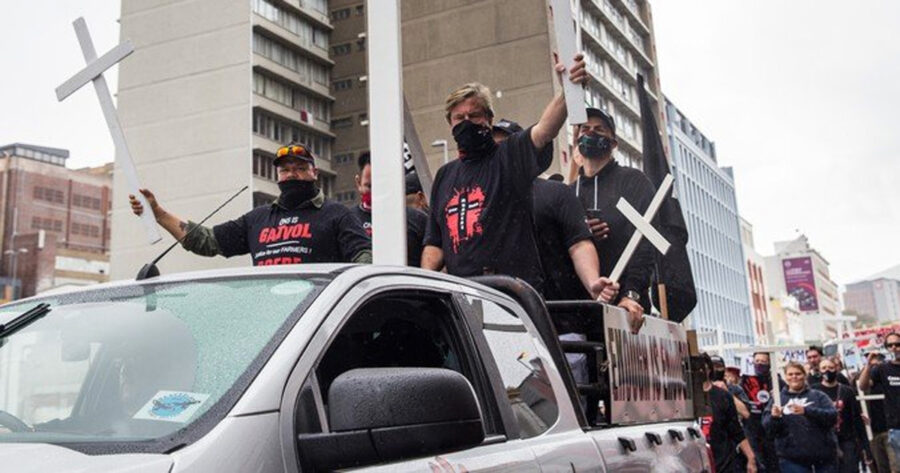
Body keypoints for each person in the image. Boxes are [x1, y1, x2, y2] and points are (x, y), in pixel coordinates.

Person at [422, 54, 597, 298]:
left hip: (510, 294)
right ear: (449, 124)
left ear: (489, 119)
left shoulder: (508, 156)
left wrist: (567, 92)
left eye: (474, 116)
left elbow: (544, 131)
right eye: (459, 118)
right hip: (463, 299)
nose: (467, 122)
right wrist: (425, 284)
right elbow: (435, 242)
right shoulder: (445, 175)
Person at [129, 142, 372, 265]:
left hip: (320, 324)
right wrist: (158, 213)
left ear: (314, 173)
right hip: (272, 323)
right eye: (285, 170)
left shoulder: (337, 214)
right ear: (277, 175)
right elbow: (205, 241)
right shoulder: (258, 219)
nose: (291, 175)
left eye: (299, 168)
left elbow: (364, 261)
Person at [491, 117, 619, 304]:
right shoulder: (474, 200)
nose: (498, 154)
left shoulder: (556, 193)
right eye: (493, 148)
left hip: (557, 318)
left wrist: (592, 284)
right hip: (495, 316)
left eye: (505, 146)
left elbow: (579, 244)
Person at [569, 107, 654, 326]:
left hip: (626, 309)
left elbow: (646, 243)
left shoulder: (633, 181)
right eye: (585, 129)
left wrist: (631, 294)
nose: (591, 133)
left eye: (599, 129)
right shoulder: (567, 193)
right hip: (579, 309)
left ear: (613, 143)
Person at [352, 152, 428, 266]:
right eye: (369, 186)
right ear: (358, 183)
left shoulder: (418, 220)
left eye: (381, 185)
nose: (375, 192)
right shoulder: (348, 220)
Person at [763, 362, 838, 473]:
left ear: (804, 375)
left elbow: (832, 417)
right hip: (792, 460)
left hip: (824, 458)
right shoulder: (777, 400)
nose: (794, 377)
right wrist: (774, 417)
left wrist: (806, 411)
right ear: (785, 377)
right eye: (790, 374)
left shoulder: (818, 396)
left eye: (798, 373)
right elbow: (768, 428)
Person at [811, 358, 868, 473]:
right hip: (824, 441)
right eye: (824, 368)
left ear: (836, 369)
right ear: (819, 371)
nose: (827, 370)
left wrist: (864, 446)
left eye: (830, 367)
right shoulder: (814, 391)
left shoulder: (847, 391)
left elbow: (856, 418)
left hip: (846, 439)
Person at [703, 356, 758, 473]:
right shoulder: (684, 397)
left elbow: (736, 428)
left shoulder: (723, 395)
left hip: (724, 461)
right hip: (699, 461)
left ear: (709, 370)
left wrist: (750, 457)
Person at [858, 332, 900, 472]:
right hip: (896, 428)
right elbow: (863, 386)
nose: (894, 348)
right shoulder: (883, 369)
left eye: (897, 344)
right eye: (890, 345)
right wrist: (868, 366)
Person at [740, 352, 783, 473]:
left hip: (771, 429)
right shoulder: (746, 382)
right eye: (757, 361)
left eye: (763, 362)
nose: (759, 364)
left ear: (769, 364)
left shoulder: (777, 381)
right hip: (752, 428)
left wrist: (777, 396)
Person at [863, 352, 890, 473]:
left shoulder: (889, 377)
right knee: (880, 466)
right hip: (874, 430)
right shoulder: (865, 378)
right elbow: (861, 386)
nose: (875, 368)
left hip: (892, 429)